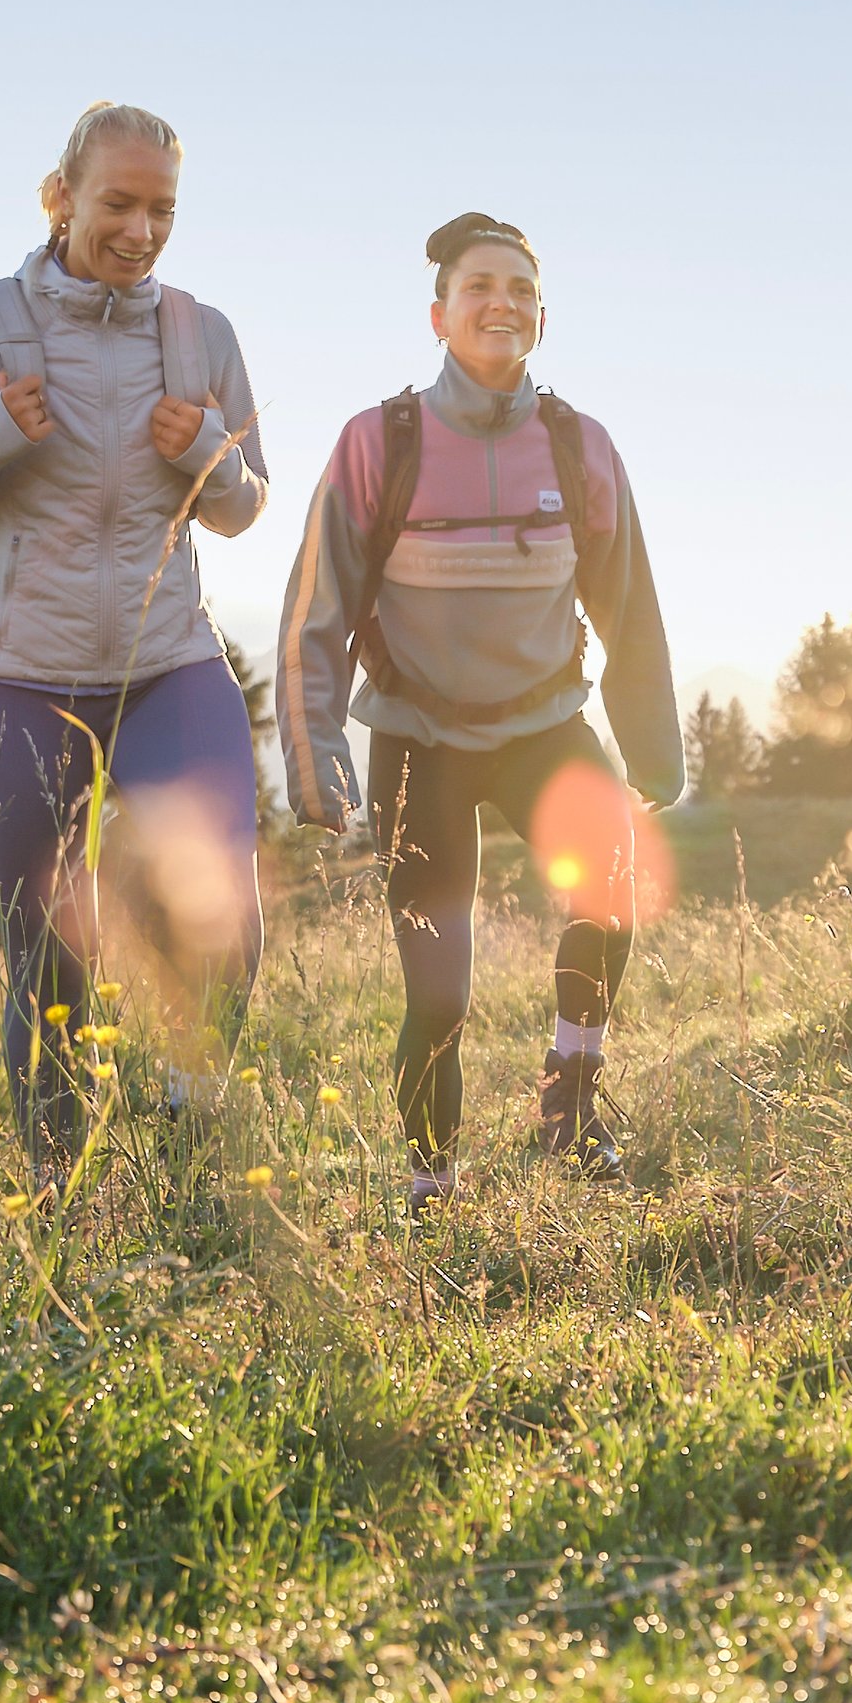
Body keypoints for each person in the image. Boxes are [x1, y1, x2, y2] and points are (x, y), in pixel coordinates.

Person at [0, 101, 269, 1178]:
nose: (141, 232)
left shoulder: (202, 334)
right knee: (47, 956)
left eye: (163, 211)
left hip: (166, 665)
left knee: (219, 897)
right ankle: (60, 1189)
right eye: (119, 204)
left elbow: (243, 506)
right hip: (13, 680)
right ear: (60, 197)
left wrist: (211, 465)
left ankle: (190, 1122)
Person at [277, 212, 681, 1202]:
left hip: (544, 726)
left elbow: (627, 606)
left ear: (541, 317)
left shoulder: (579, 446)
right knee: (437, 991)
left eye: (519, 289)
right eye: (477, 288)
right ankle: (431, 1188)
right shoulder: (380, 442)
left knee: (614, 883)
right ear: (438, 315)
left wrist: (652, 753)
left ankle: (570, 1100)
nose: (500, 302)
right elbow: (316, 607)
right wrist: (313, 752)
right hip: (419, 741)